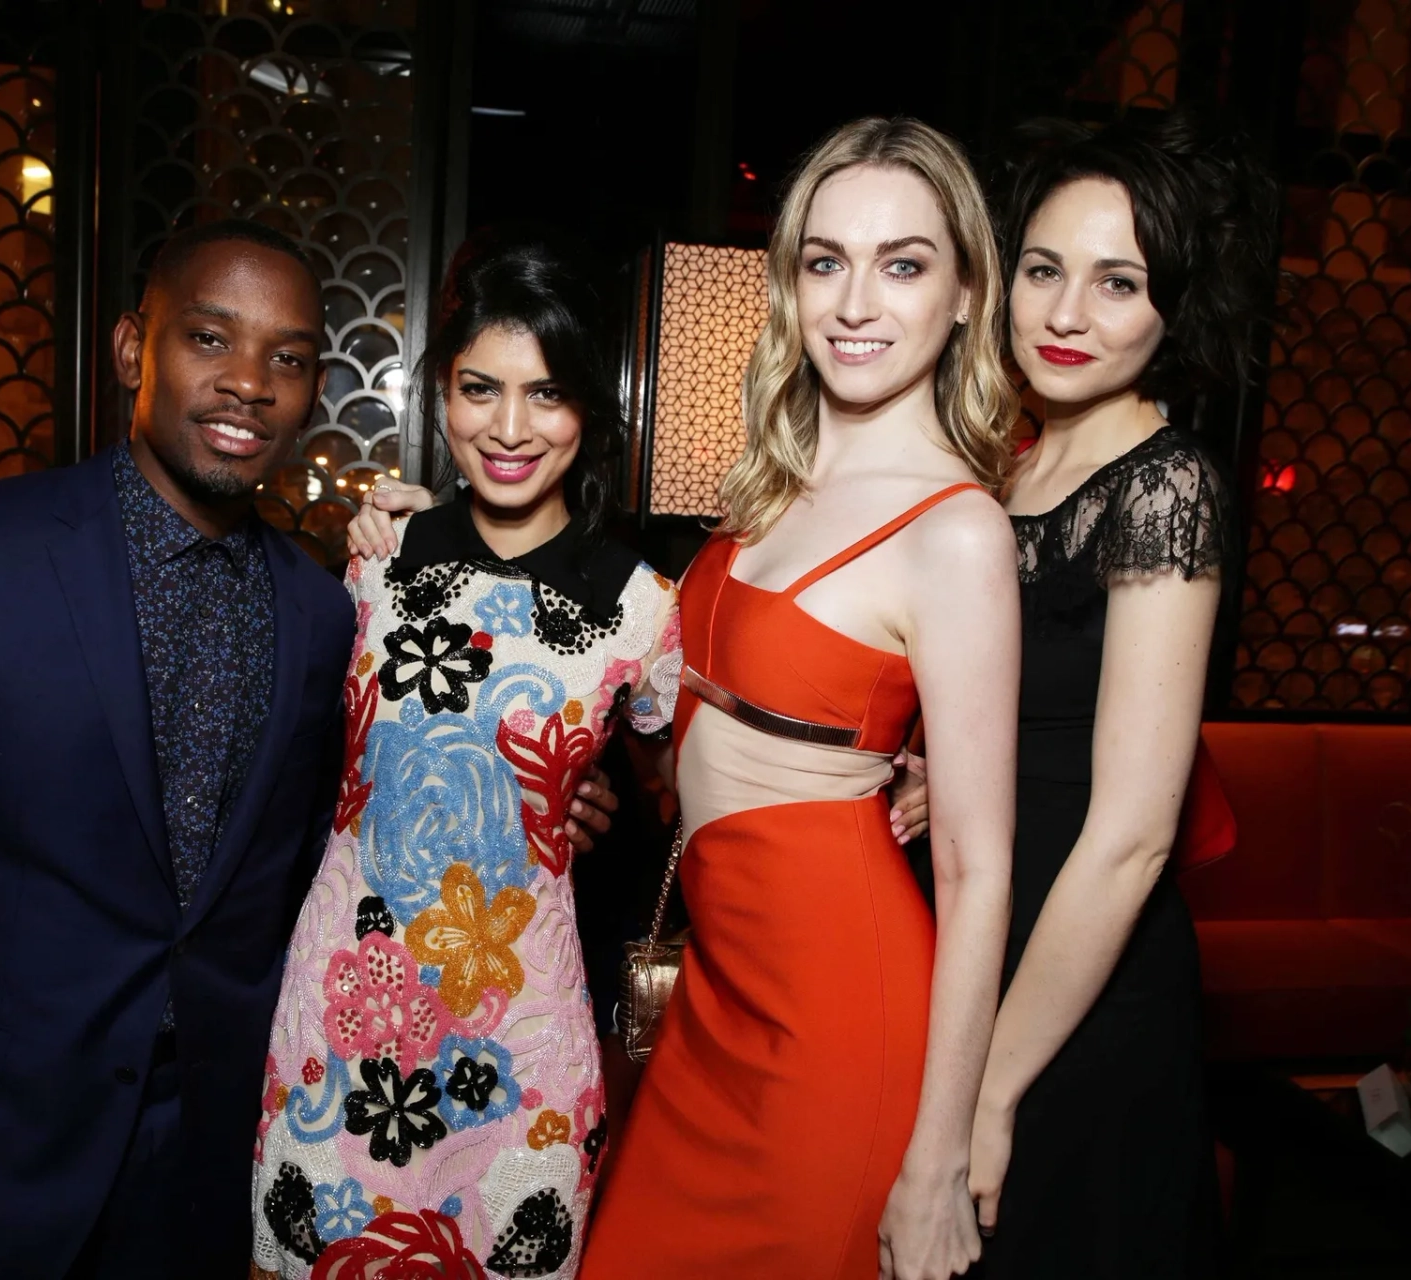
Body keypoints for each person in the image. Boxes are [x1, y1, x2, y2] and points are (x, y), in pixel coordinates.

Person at [350, 118, 1022, 1280]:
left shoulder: (958, 530)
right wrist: (418, 549)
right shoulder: (772, 477)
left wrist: (940, 1151)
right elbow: (651, 679)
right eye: (825, 260)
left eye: (904, 263)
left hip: (836, 1009)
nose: (856, 300)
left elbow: (977, 865)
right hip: (713, 987)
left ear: (965, 291)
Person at [0, 220, 355, 1280]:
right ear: (136, 349)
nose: (250, 384)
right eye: (211, 339)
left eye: (288, 357)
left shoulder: (321, 613)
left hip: (212, 1163)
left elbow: (315, 872)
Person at [248, 234, 680, 1280]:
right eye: (480, 388)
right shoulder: (380, 559)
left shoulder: (642, 605)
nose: (510, 427)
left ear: (591, 409)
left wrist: (584, 796)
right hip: (341, 1024)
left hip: (522, 1041)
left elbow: (683, 795)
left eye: (548, 394)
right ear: (440, 390)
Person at [890, 114, 1275, 1277]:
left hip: (1078, 992)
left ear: (1174, 307)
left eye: (1119, 283)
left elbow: (1131, 835)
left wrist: (990, 1088)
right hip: (964, 935)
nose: (1066, 315)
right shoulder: (1001, 463)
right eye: (1047, 271)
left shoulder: (1167, 485)